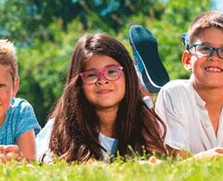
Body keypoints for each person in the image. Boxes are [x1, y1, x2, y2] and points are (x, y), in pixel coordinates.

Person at [36, 33, 169, 162]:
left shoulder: (145, 123)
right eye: (91, 75)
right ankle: (143, 83)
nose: (102, 80)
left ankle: (143, 86)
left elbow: (162, 161)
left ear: (127, 76)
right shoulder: (60, 128)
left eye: (111, 72)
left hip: (143, 110)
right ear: (79, 84)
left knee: (146, 110)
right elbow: (37, 158)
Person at [154, 11, 223, 158]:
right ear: (187, 60)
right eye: (205, 49)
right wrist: (208, 159)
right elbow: (176, 160)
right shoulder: (173, 93)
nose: (214, 57)